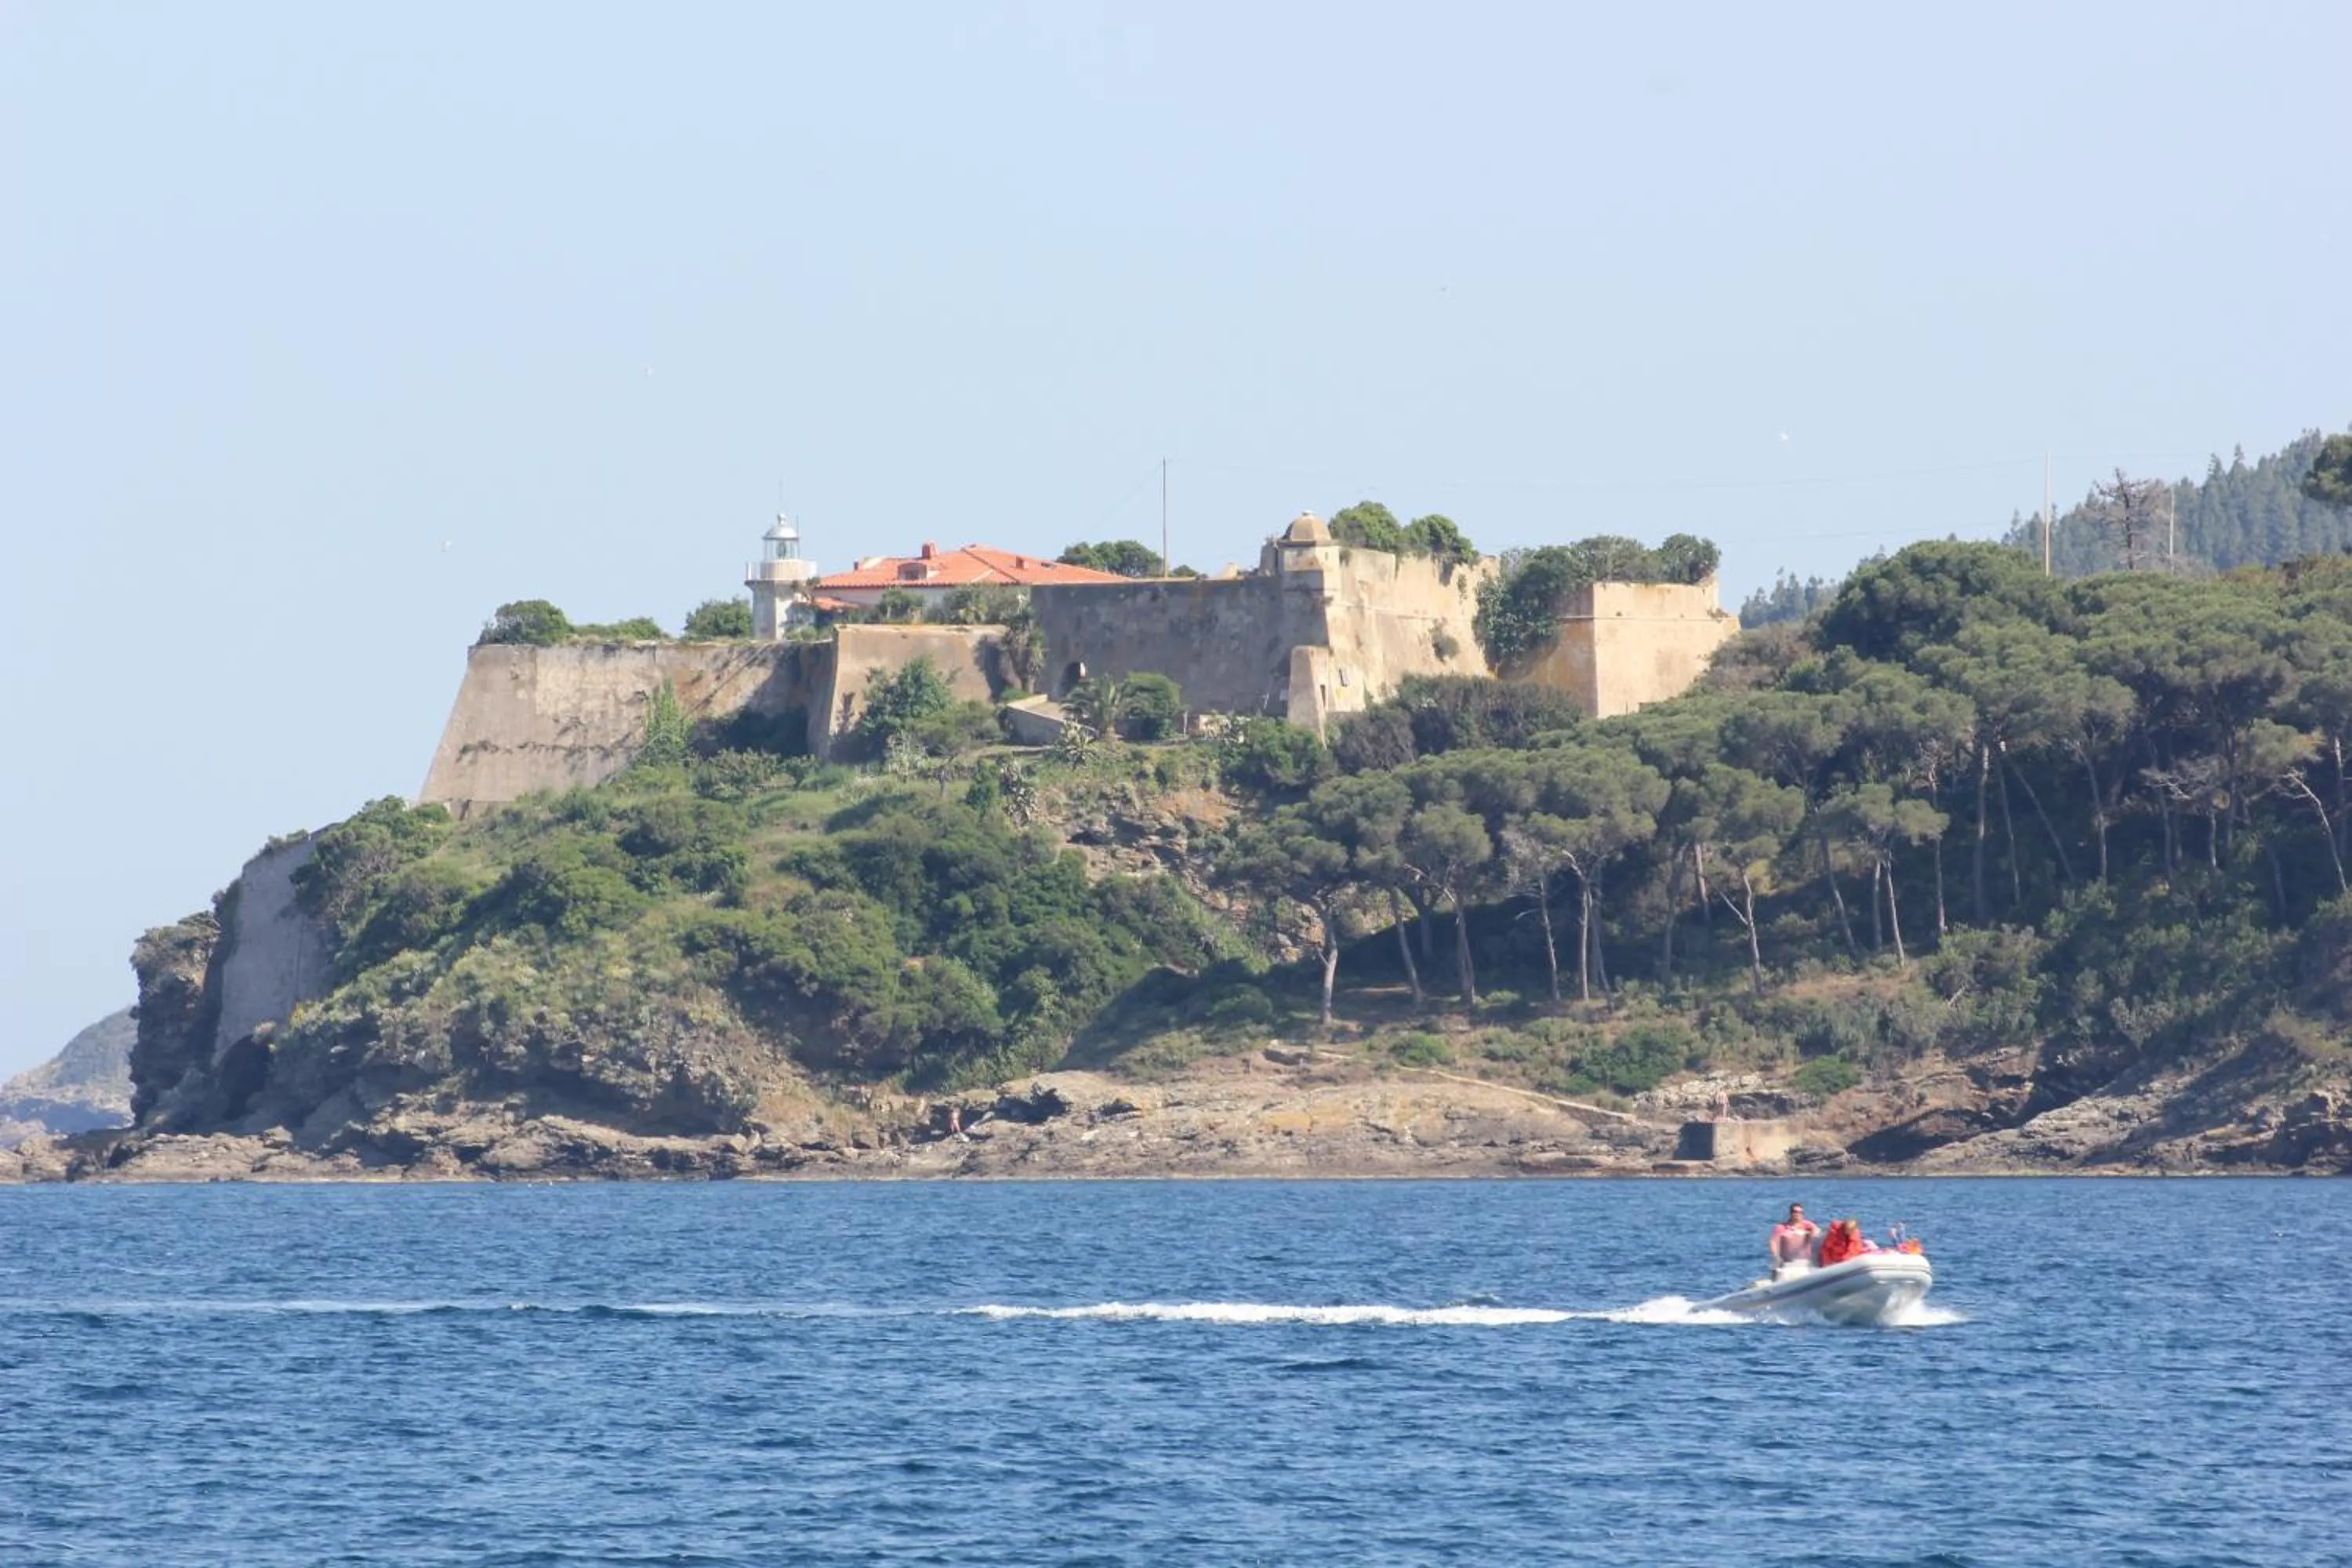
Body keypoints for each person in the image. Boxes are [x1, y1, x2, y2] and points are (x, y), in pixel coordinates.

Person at [1767, 1203, 1820, 1279]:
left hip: (1804, 1263)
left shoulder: (1807, 1225)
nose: (1797, 1214)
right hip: (1787, 1264)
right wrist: (1776, 1256)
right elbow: (1773, 1242)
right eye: (1795, 1212)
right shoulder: (1781, 1228)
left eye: (1800, 1212)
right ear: (1791, 1213)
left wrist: (1812, 1234)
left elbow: (1816, 1231)